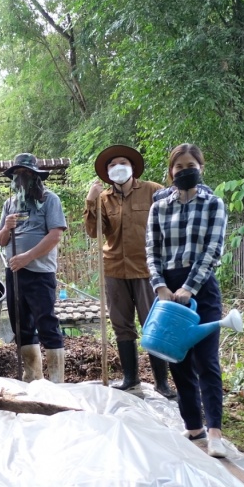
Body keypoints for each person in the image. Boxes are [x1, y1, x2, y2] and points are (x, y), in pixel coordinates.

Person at [146, 143, 229, 458]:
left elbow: (213, 250)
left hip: (202, 290)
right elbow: (152, 250)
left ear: (201, 168)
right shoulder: (159, 208)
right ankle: (193, 426)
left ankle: (215, 432)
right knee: (176, 358)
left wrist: (189, 288)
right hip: (167, 289)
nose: (184, 171)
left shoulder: (213, 204)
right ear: (171, 172)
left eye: (190, 166)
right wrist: (159, 286)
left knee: (206, 360)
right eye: (178, 167)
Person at [84, 144, 177, 398]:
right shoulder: (103, 198)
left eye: (122, 163)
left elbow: (171, 222)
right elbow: (94, 232)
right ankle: (130, 379)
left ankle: (162, 383)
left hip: (148, 270)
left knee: (153, 323)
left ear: (132, 167)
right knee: (122, 325)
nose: (118, 168)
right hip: (115, 269)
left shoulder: (153, 191)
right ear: (107, 172)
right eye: (112, 165)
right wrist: (91, 200)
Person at [0, 153, 67, 383]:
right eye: (17, 174)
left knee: (46, 322)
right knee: (20, 324)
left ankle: (56, 380)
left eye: (26, 173)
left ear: (36, 176)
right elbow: (1, 241)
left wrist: (27, 257)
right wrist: (6, 227)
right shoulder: (9, 204)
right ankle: (32, 377)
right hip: (15, 272)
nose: (21, 177)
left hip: (40, 272)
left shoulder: (49, 200)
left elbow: (55, 235)